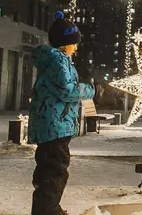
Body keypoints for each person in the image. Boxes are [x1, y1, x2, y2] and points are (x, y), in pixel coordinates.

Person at [29, 11, 95, 215]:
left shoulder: (53, 60)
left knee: (49, 170)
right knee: (55, 170)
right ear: (66, 43)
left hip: (52, 124)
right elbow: (67, 91)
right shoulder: (59, 60)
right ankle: (48, 211)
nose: (75, 48)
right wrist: (90, 89)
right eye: (74, 43)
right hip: (55, 126)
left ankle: (48, 208)